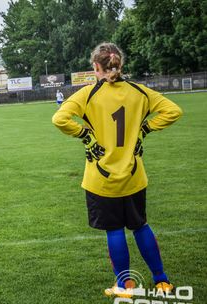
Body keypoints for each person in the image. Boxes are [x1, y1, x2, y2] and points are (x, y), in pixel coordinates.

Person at [52, 42, 182, 298]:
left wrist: (86, 136)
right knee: (141, 226)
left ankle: (124, 287)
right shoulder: (139, 91)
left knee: (115, 231)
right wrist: (144, 130)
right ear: (119, 65)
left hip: (101, 177)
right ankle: (161, 281)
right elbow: (173, 111)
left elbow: (59, 119)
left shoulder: (88, 94)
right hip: (134, 175)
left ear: (95, 67)